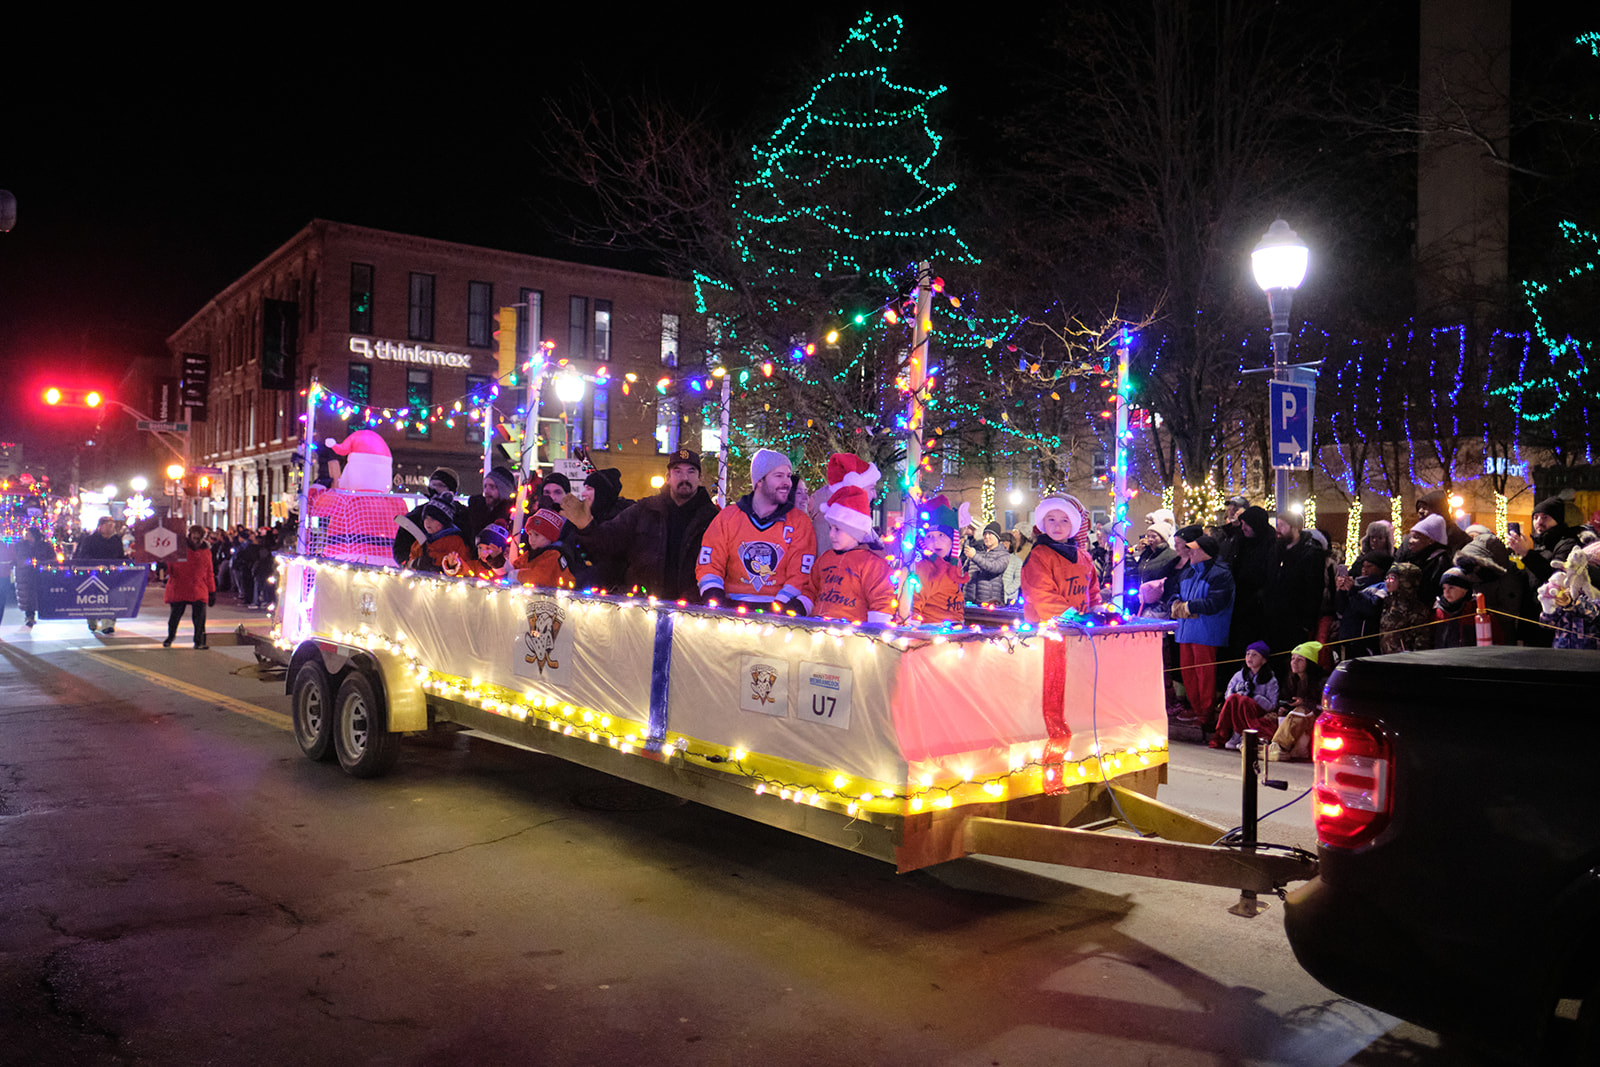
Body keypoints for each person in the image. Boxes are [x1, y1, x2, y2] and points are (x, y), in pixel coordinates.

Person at [560, 448, 719, 602]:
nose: (684, 477)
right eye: (677, 471)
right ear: (668, 477)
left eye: (691, 471)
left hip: (693, 610)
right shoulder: (645, 510)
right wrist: (586, 526)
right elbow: (608, 542)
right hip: (644, 607)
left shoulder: (712, 519)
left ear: (700, 478)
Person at [696, 449, 816, 610]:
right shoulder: (728, 518)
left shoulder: (799, 523)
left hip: (779, 611)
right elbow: (710, 562)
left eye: (788, 476)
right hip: (730, 609)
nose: (787, 483)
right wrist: (714, 594)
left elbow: (801, 574)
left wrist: (780, 606)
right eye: (779, 476)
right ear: (759, 481)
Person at [798, 485, 896, 625]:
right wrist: (799, 606)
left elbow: (881, 600)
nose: (831, 534)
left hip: (854, 633)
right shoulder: (825, 559)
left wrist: (875, 630)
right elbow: (812, 591)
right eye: (830, 528)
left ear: (855, 531)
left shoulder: (873, 564)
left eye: (837, 529)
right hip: (819, 629)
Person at [1169, 530, 1234, 729]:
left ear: (1206, 552)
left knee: (1204, 675)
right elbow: (1175, 592)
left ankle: (1206, 713)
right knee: (1188, 673)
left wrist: (1188, 607)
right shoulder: (1187, 572)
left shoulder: (1220, 574)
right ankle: (1197, 710)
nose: (1189, 552)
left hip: (1207, 633)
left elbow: (1216, 602)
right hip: (1186, 631)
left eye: (1193, 549)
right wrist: (1175, 603)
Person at [1264, 511, 1325, 680]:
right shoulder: (1275, 550)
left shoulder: (1310, 553)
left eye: (1282, 526)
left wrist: (1307, 622)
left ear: (1295, 528)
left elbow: (1314, 589)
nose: (1278, 529)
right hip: (1273, 618)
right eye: (1277, 525)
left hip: (1295, 619)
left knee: (1292, 663)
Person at [1020, 497, 1099, 623]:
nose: (1057, 526)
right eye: (1051, 519)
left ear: (1073, 524)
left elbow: (1093, 592)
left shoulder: (1084, 558)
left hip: (1081, 629)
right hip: (1046, 628)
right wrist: (1073, 616)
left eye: (1064, 520)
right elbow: (1040, 595)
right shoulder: (1039, 557)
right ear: (1043, 522)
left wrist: (1098, 611)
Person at [906, 498, 967, 625]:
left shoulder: (955, 565)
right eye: (929, 536)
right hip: (932, 631)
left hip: (955, 630)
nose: (935, 542)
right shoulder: (924, 569)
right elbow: (914, 607)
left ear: (953, 539)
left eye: (941, 535)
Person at [1209, 642, 1280, 750]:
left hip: (1256, 711)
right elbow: (1228, 695)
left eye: (1254, 655)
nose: (1250, 657)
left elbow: (1272, 705)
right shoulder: (1239, 675)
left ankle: (1243, 734)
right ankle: (1235, 733)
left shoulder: (1270, 679)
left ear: (1263, 660)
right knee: (1235, 699)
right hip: (1237, 709)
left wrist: (1253, 698)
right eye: (1248, 654)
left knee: (1244, 701)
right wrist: (1239, 693)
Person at [1270, 641, 1327, 760]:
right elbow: (1285, 698)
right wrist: (1283, 708)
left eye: (1300, 660)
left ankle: (1279, 746)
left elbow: (1325, 709)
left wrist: (1304, 703)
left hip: (1314, 722)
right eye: (1292, 659)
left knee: (1301, 712)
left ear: (1309, 663)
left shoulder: (1322, 681)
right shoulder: (1292, 679)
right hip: (1296, 723)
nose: (1294, 662)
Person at [394, 468, 462, 566]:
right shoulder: (416, 514)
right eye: (432, 485)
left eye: (440, 485)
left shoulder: (461, 514)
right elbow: (400, 549)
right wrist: (412, 563)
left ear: (451, 490)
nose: (434, 489)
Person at [162, 526, 216, 649]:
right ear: (189, 535)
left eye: (199, 537)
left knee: (199, 618)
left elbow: (209, 572)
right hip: (179, 586)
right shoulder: (178, 549)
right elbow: (169, 567)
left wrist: (212, 591)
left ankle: (199, 641)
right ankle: (170, 636)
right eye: (194, 536)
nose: (196, 539)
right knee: (175, 616)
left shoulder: (206, 551)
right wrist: (164, 566)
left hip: (198, 587)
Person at [74, 516, 126, 634]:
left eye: (112, 526)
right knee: (94, 599)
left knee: (111, 598)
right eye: (108, 525)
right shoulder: (90, 540)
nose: (111, 528)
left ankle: (108, 624)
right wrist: (95, 564)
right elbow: (83, 556)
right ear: (100, 526)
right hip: (94, 574)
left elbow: (120, 556)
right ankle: (92, 619)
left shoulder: (116, 540)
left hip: (111, 575)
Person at [1335, 551, 1392, 658]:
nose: (1364, 569)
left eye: (1369, 566)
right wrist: (1341, 591)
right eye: (1363, 566)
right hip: (1349, 639)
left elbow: (1370, 608)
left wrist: (1352, 591)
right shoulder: (1357, 584)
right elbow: (1342, 609)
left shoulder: (1383, 587)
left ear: (1381, 569)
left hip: (1366, 641)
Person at [512, 508, 575, 589]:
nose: (532, 539)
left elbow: (539, 577)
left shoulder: (554, 555)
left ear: (550, 537)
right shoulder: (529, 555)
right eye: (530, 534)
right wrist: (499, 563)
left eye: (536, 535)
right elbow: (514, 567)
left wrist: (514, 575)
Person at [1379, 562, 1434, 654]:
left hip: (1405, 658)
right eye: (1387, 578)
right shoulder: (1388, 602)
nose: (1388, 581)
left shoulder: (1416, 608)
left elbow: (1422, 639)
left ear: (1405, 581)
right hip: (1386, 656)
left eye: (1392, 578)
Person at [406, 501, 471, 573]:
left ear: (443, 522)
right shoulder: (419, 541)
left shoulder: (455, 541)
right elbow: (409, 563)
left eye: (433, 519)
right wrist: (415, 563)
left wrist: (436, 562)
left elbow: (465, 566)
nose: (428, 521)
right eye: (426, 518)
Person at [444, 523, 512, 581]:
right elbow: (461, 571)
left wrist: (497, 562)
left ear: (500, 550)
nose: (483, 552)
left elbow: (507, 577)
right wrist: (452, 566)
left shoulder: (508, 567)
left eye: (488, 548)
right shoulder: (474, 567)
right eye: (480, 548)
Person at [14, 527, 53, 628]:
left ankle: (42, 613)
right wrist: (26, 562)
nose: (27, 536)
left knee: (40, 594)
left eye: (29, 534)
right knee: (28, 596)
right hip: (26, 575)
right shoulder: (21, 545)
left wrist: (42, 564)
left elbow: (51, 557)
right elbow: (17, 558)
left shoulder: (44, 545)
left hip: (41, 574)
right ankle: (29, 616)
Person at [963, 522, 1010, 605]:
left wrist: (974, 556)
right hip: (970, 600)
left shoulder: (1003, 554)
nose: (987, 537)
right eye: (985, 534)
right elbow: (964, 570)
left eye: (990, 534)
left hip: (990, 601)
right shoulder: (978, 551)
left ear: (997, 537)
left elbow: (994, 568)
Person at [1432, 567, 1477, 649]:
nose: (1446, 592)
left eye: (1451, 587)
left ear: (1465, 590)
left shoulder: (1475, 611)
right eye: (1444, 588)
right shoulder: (1438, 612)